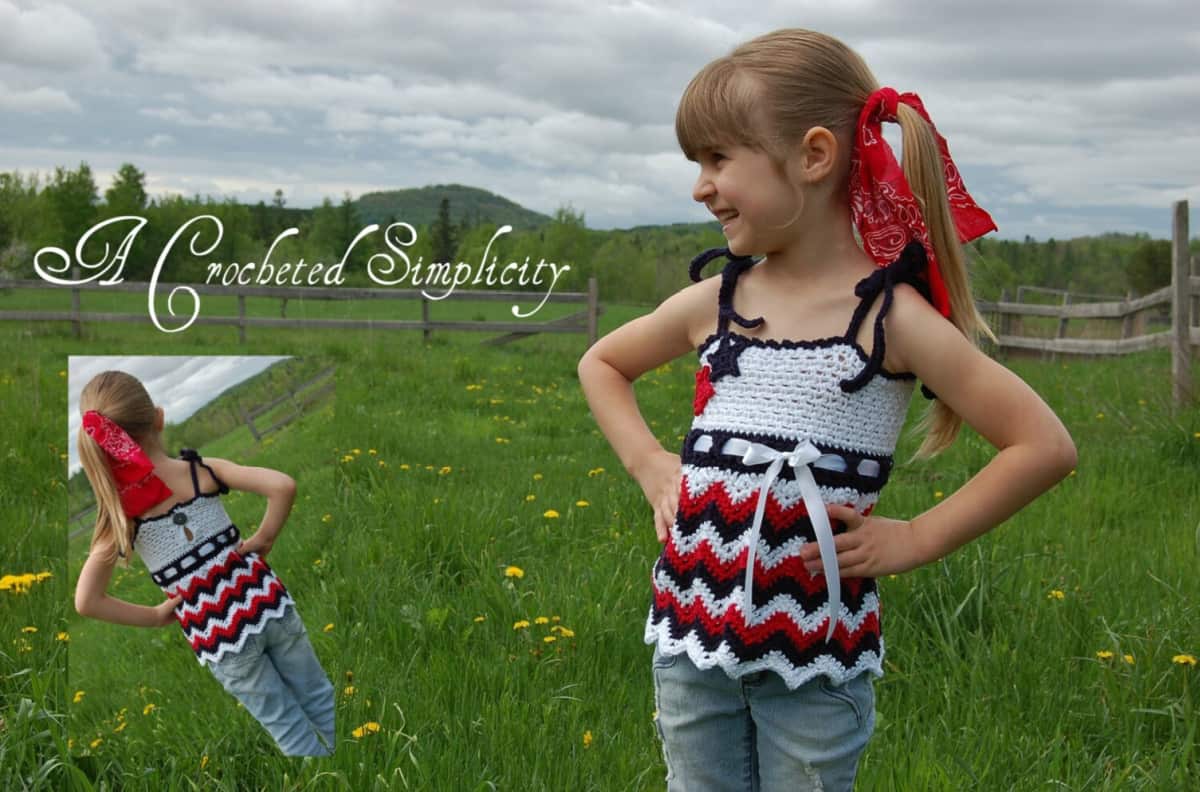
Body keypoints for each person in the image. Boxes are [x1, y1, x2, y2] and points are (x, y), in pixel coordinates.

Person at [578, 28, 1076, 791]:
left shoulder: (891, 320)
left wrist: (914, 537)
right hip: (692, 634)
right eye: (697, 164)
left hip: (816, 649)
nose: (700, 186)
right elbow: (602, 364)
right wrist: (651, 464)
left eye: (717, 160)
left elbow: (1043, 445)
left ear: (813, 157)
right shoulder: (717, 301)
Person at [73, 370, 335, 757]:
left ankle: (328, 778)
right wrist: (263, 539)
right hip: (267, 604)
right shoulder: (200, 471)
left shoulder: (121, 516)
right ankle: (361, 760)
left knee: (286, 725)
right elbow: (282, 486)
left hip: (220, 637)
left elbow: (86, 601)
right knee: (317, 694)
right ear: (159, 418)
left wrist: (157, 614)